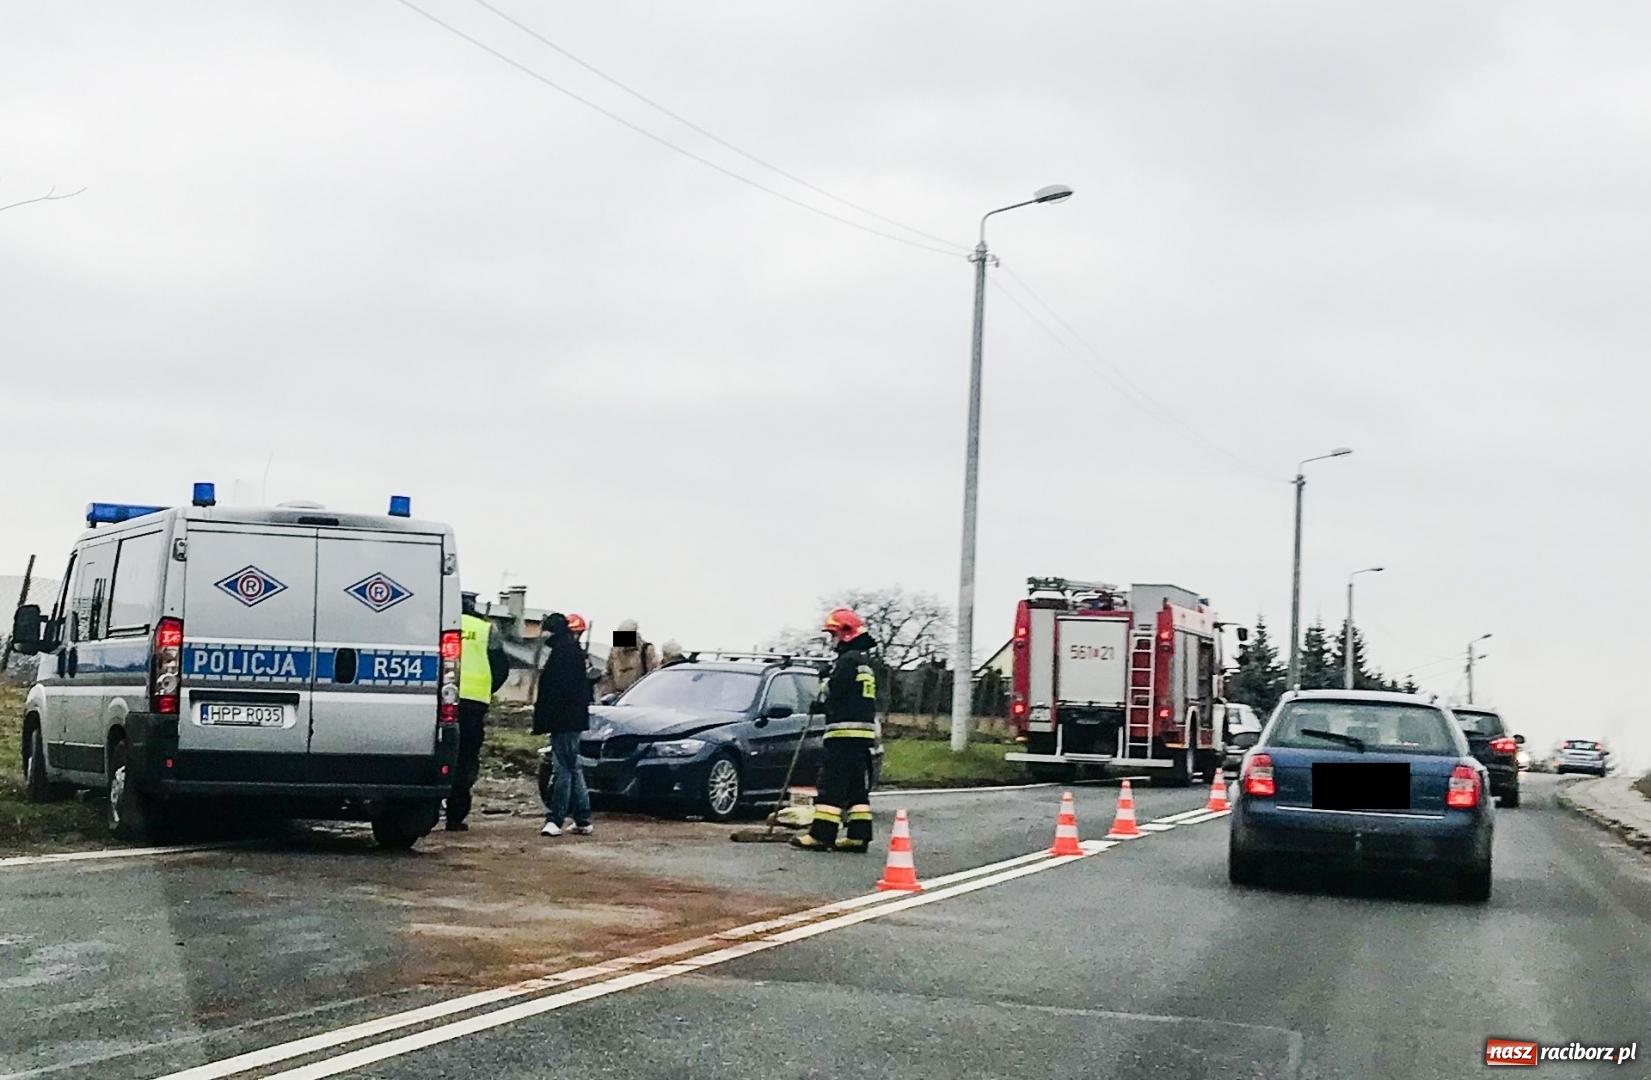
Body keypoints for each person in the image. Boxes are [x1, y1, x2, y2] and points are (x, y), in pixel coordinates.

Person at [791, 607, 878, 853]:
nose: (832, 640)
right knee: (855, 787)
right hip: (861, 736)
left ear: (846, 634)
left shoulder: (847, 662)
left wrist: (822, 681)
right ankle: (858, 836)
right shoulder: (863, 663)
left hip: (842, 734)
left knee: (831, 784)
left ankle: (821, 835)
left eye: (834, 635)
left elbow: (832, 692)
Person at [448, 592, 509, 831]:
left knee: (441, 753)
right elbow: (501, 666)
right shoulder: (486, 629)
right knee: (466, 758)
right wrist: (487, 688)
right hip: (474, 703)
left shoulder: (442, 624)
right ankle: (456, 815)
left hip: (442, 698)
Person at [534, 612, 594, 837]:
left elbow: (557, 691)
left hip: (563, 720)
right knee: (573, 767)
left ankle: (555, 819)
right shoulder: (573, 651)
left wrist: (548, 718)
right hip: (572, 719)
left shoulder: (563, 653)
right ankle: (582, 818)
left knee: (563, 770)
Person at [601, 618, 657, 697]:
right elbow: (609, 674)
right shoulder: (614, 652)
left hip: (639, 695)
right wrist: (607, 694)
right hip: (617, 697)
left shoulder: (645, 650)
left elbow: (652, 675)